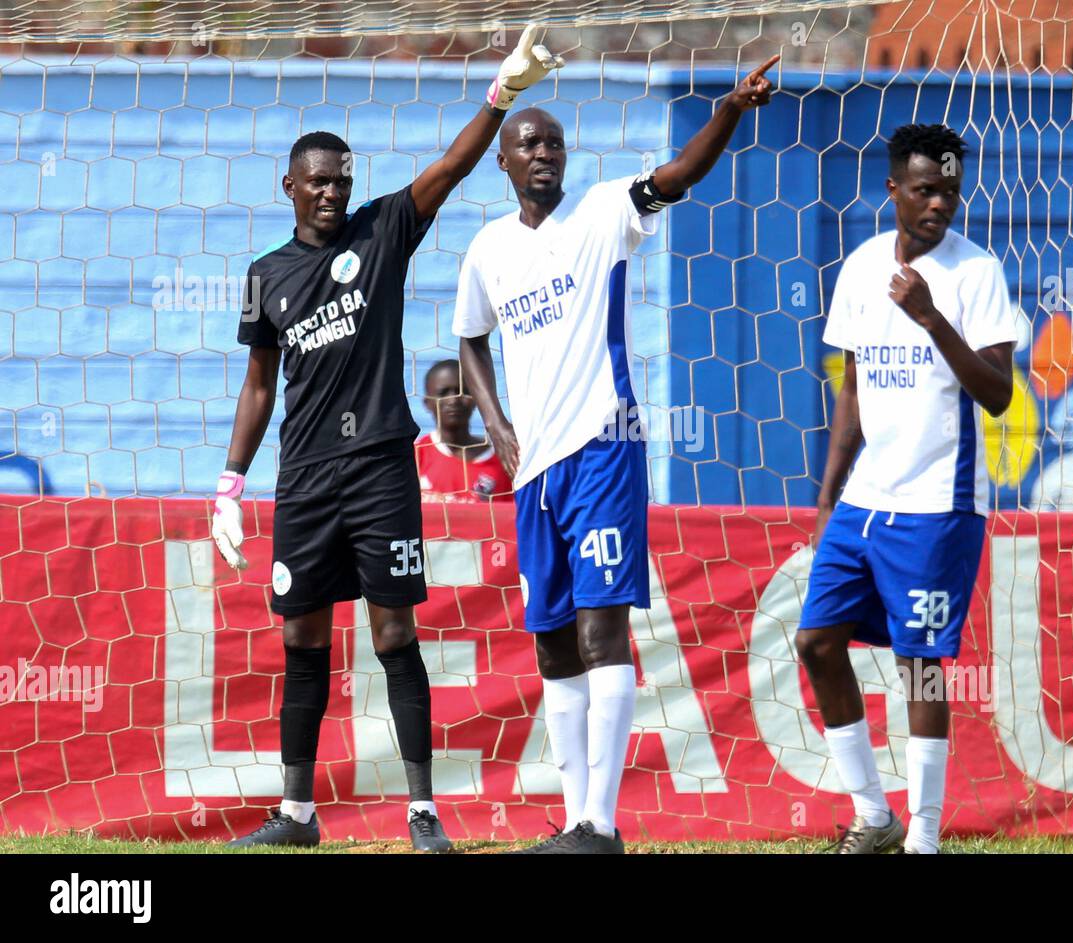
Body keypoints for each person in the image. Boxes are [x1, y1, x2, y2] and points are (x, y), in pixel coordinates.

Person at [209, 27, 562, 851]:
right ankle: (296, 815)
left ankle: (422, 812)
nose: (332, 195)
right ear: (289, 185)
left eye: (342, 182)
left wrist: (500, 93)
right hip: (303, 477)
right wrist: (229, 482)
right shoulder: (266, 275)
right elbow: (260, 383)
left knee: (395, 633)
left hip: (377, 469)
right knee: (301, 636)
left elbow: (448, 169)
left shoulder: (381, 235)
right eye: (319, 184)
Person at [455, 56, 780, 854]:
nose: (543, 154)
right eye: (529, 143)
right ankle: (573, 820)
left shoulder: (604, 213)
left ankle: (602, 822)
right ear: (503, 160)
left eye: (555, 145)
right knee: (553, 639)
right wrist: (495, 423)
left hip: (604, 447)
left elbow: (677, 174)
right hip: (535, 473)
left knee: (603, 631)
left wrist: (732, 110)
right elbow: (468, 338)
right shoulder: (488, 251)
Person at [796, 123, 1016, 855]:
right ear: (893, 189)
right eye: (925, 190)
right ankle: (874, 814)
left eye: (950, 191)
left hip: (938, 504)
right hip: (864, 499)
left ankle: (924, 839)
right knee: (817, 642)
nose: (939, 204)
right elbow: (853, 388)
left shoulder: (976, 271)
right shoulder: (860, 267)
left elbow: (998, 394)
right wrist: (829, 494)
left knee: (919, 664)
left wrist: (930, 316)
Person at [414, 359, 510, 503]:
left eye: (463, 392)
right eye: (443, 393)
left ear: (476, 399)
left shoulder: (504, 459)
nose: (454, 400)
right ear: (427, 403)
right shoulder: (415, 456)